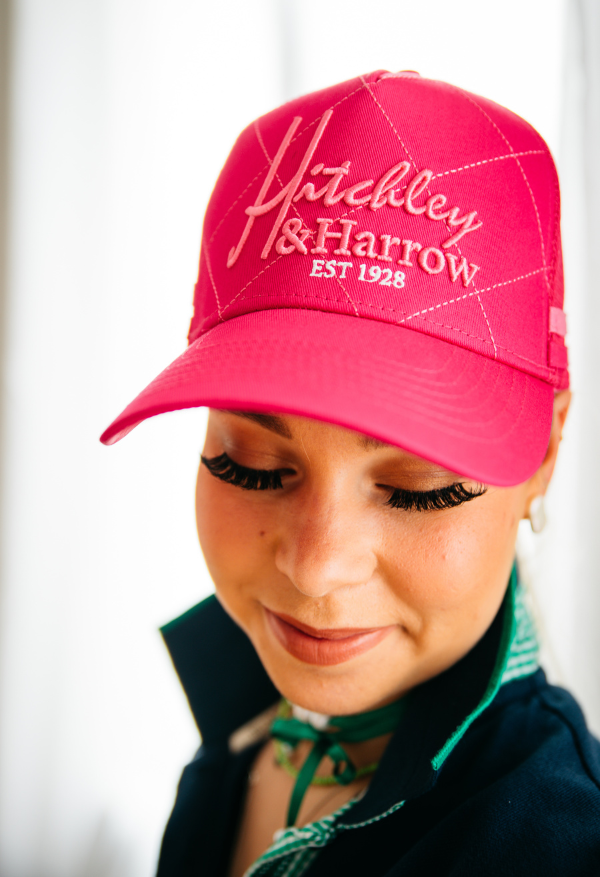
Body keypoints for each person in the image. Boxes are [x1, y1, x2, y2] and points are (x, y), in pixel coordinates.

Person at [101, 70, 600, 876]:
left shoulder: (559, 844)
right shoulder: (245, 728)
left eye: (415, 488)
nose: (316, 565)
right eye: (253, 465)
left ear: (544, 453)